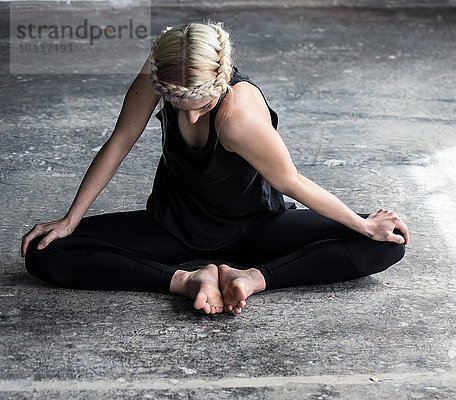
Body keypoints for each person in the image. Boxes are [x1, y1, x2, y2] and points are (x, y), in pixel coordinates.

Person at [21, 22, 409, 315]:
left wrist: (363, 226)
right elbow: (120, 142)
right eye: (177, 103)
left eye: (201, 105)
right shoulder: (159, 74)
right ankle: (189, 280)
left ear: (221, 80)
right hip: (173, 225)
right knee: (45, 253)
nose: (189, 116)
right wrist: (71, 220)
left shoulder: (239, 116)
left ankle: (253, 278)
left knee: (385, 245)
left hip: (255, 229)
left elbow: (291, 182)